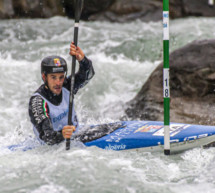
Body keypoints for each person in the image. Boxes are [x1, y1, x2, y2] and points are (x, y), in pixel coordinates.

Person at [28, 42, 95, 145]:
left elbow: (88, 74)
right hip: (52, 148)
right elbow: (48, 137)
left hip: (75, 137)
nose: (58, 83)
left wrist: (82, 60)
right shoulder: (38, 102)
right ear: (44, 77)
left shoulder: (67, 86)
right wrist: (61, 134)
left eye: (61, 77)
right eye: (53, 77)